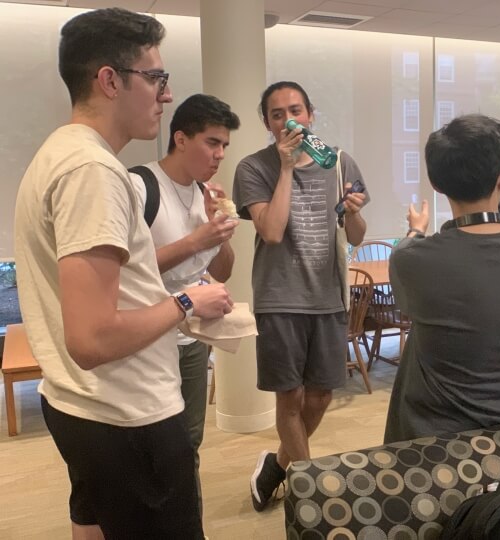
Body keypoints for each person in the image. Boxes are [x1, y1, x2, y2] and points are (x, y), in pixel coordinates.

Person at [14, 8, 232, 539]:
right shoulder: (93, 171)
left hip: (83, 400)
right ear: (109, 80)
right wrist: (187, 304)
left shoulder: (60, 155)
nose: (164, 94)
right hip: (127, 412)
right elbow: (91, 336)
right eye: (155, 77)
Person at [233, 81, 369, 512]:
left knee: (322, 395)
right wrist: (287, 167)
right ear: (267, 122)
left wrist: (354, 212)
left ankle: (276, 465)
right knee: (288, 398)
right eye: (277, 114)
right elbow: (271, 232)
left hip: (329, 295)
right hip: (279, 298)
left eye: (295, 110)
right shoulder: (253, 167)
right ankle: (310, 492)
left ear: (310, 113)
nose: (287, 119)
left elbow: (357, 236)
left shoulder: (341, 163)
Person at [383, 114, 500, 444]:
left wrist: (416, 228)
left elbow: (409, 258)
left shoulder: (411, 258)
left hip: (427, 447)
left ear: (435, 183)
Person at [129, 93, 240, 517]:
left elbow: (224, 271)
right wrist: (195, 240)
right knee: (148, 439)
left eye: (224, 146)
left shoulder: (204, 194)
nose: (219, 155)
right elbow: (125, 271)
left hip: (194, 338)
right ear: (180, 138)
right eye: (212, 142)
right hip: (146, 337)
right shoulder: (140, 186)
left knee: (189, 438)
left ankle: (184, 520)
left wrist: (219, 231)